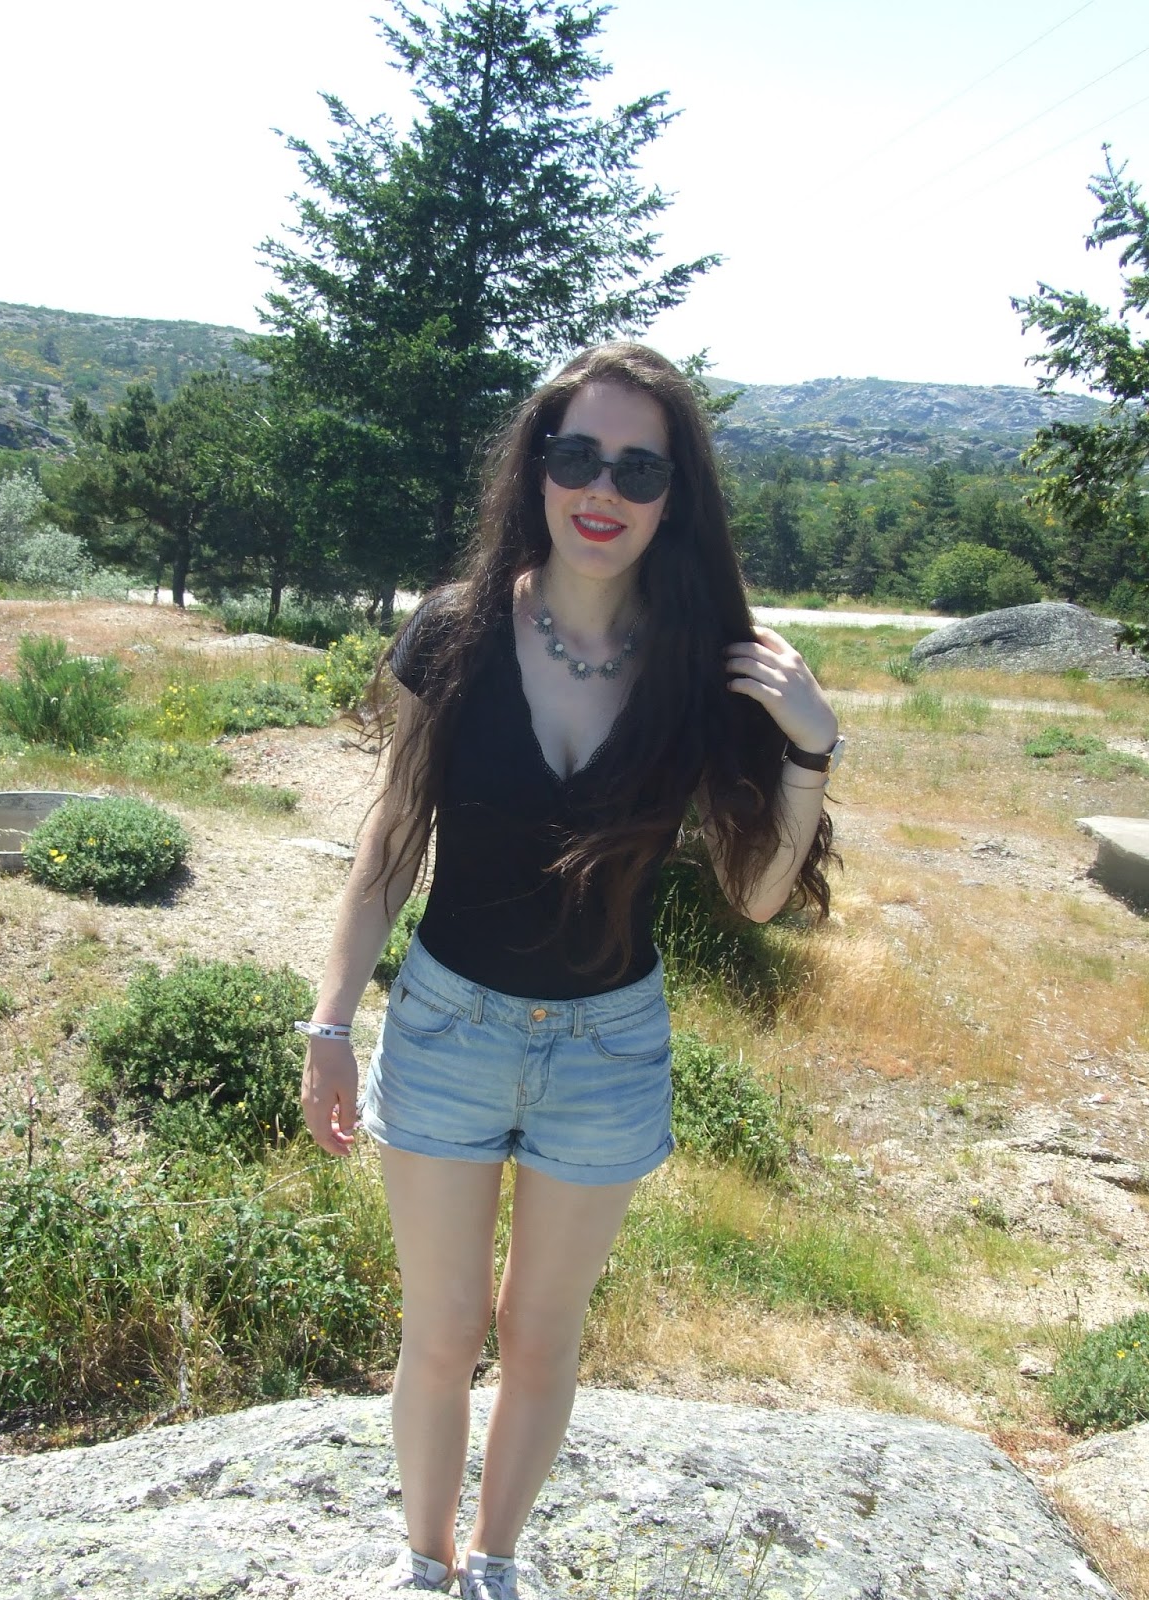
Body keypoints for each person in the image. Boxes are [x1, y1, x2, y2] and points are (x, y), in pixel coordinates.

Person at [299, 343, 840, 1599]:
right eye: (578, 455)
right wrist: (329, 1022)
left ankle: (494, 1563)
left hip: (607, 1051)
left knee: (540, 1335)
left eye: (639, 468)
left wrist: (812, 746)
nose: (603, 489)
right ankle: (423, 1565)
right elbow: (391, 844)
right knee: (442, 1331)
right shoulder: (456, 628)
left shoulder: (706, 664)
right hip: (446, 1023)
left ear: (674, 495)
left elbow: (758, 897)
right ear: (538, 467)